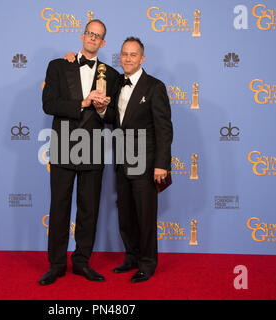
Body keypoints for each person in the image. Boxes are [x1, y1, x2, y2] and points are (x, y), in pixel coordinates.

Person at [40, 19, 120, 286]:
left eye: (98, 36)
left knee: (89, 210)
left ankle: (82, 261)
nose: (93, 38)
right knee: (59, 207)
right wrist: (83, 103)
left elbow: (114, 116)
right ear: (82, 35)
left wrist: (100, 110)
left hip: (94, 149)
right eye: (89, 33)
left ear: (103, 42)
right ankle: (56, 264)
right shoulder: (59, 66)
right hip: (64, 145)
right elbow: (49, 104)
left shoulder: (112, 74)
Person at [108, 37, 173, 283]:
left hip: (146, 163)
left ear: (142, 59)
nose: (128, 58)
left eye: (133, 55)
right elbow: (113, 119)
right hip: (122, 160)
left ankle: (147, 263)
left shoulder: (155, 87)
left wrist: (161, 164)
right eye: (124, 54)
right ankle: (132, 257)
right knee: (126, 214)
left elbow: (164, 129)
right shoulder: (116, 85)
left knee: (145, 215)